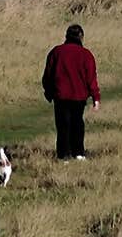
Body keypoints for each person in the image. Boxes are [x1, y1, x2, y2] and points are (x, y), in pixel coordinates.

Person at [42, 23, 100, 160]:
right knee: (77, 124)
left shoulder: (56, 52)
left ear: (66, 36)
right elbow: (91, 78)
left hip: (60, 96)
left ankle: (64, 155)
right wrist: (95, 98)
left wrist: (49, 93)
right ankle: (78, 153)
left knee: (63, 125)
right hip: (79, 96)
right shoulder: (86, 55)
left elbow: (47, 76)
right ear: (81, 37)